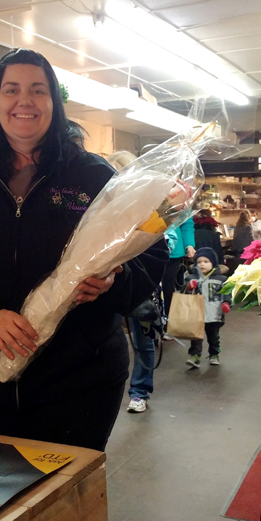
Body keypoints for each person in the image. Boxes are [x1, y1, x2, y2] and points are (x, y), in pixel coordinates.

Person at [0, 49, 168, 450]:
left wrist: (114, 281)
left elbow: (150, 254)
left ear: (54, 103)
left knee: (67, 486)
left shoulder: (96, 176)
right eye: (11, 89)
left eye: (38, 90)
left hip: (80, 382)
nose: (24, 101)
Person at [106, 151, 159, 415]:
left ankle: (140, 391)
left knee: (143, 341)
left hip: (139, 284)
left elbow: (158, 249)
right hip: (106, 285)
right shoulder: (102, 207)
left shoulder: (148, 209)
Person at [184, 247, 230, 368]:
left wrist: (226, 302)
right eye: (199, 262)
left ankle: (214, 354)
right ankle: (194, 356)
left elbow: (227, 292)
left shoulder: (221, 279)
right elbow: (183, 291)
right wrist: (188, 286)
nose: (202, 264)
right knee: (195, 337)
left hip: (214, 314)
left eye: (206, 261)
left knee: (213, 336)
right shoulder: (192, 278)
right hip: (196, 314)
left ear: (213, 263)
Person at [162, 216, 196, 317]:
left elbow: (186, 222)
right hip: (146, 248)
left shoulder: (181, 206)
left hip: (173, 251)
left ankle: (169, 320)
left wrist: (189, 244)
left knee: (169, 290)